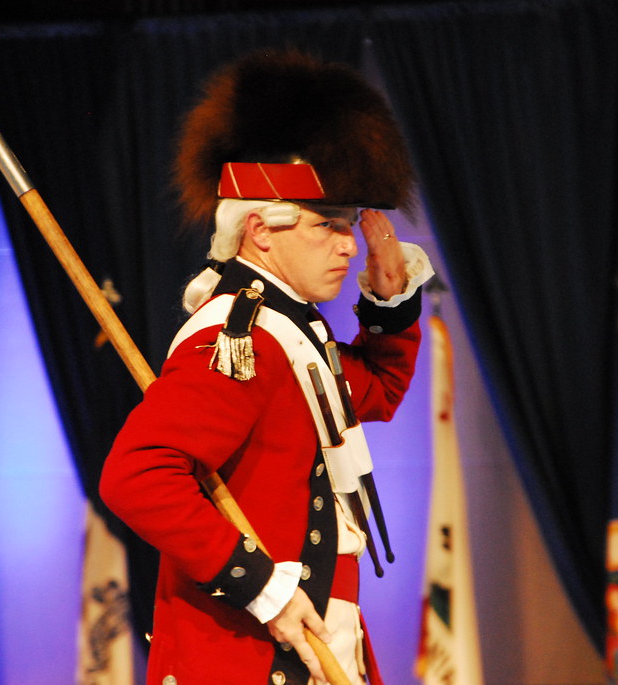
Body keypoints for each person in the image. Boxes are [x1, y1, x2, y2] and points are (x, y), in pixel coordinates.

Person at [100, 50, 434, 685]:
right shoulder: (241, 341)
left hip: (313, 645)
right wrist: (261, 587)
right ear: (259, 230)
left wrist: (390, 303)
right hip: (248, 658)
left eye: (349, 225)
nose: (348, 244)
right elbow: (136, 476)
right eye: (327, 224)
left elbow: (379, 390)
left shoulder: (293, 330)